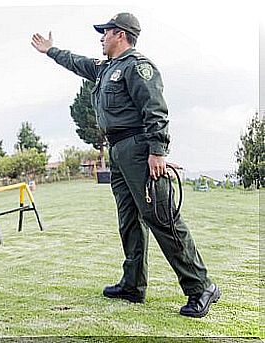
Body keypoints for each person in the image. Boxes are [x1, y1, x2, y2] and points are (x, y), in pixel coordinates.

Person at [31, 12, 220, 318]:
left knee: (161, 216)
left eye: (105, 32)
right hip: (118, 150)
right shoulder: (107, 68)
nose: (101, 38)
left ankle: (201, 286)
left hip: (139, 148)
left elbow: (155, 109)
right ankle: (133, 285)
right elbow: (77, 62)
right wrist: (51, 51)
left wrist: (158, 151)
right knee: (129, 220)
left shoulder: (137, 67)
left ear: (120, 34)